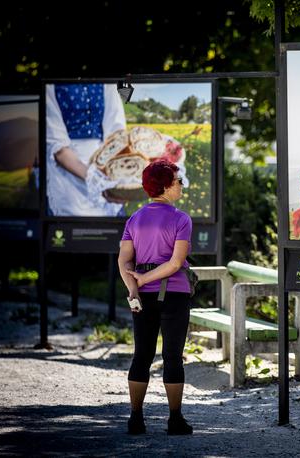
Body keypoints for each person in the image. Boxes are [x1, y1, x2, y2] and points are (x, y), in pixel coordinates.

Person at [118, 160, 193, 435]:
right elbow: (175, 264)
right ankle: (175, 420)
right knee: (173, 357)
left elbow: (123, 262)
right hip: (175, 295)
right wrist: (146, 279)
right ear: (166, 186)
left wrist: (134, 288)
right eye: (178, 181)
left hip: (143, 299)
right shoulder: (181, 219)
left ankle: (135, 418)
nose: (181, 185)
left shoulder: (134, 219)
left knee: (142, 355)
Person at [46, 83, 126, 216]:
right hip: (68, 173)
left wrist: (113, 175)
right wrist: (96, 180)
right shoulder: (51, 85)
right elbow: (57, 146)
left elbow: (116, 132)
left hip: (104, 163)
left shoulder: (107, 83)